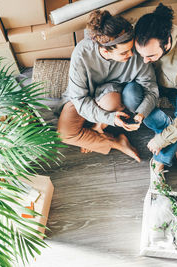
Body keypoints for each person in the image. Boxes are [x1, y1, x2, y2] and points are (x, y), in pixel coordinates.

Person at [57, 10, 159, 162]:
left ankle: (96, 132)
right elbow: (79, 98)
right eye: (124, 52)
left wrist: (141, 114)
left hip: (112, 97)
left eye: (132, 49)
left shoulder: (136, 56)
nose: (131, 54)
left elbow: (151, 90)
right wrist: (110, 118)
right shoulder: (82, 53)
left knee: (111, 100)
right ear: (105, 51)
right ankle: (117, 143)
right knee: (63, 134)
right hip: (82, 99)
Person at [133, 3, 177, 183]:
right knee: (129, 95)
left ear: (167, 43)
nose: (145, 61)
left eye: (150, 56)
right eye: (141, 55)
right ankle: (167, 127)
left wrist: (161, 140)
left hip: (173, 88)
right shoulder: (140, 32)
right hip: (147, 83)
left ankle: (161, 159)